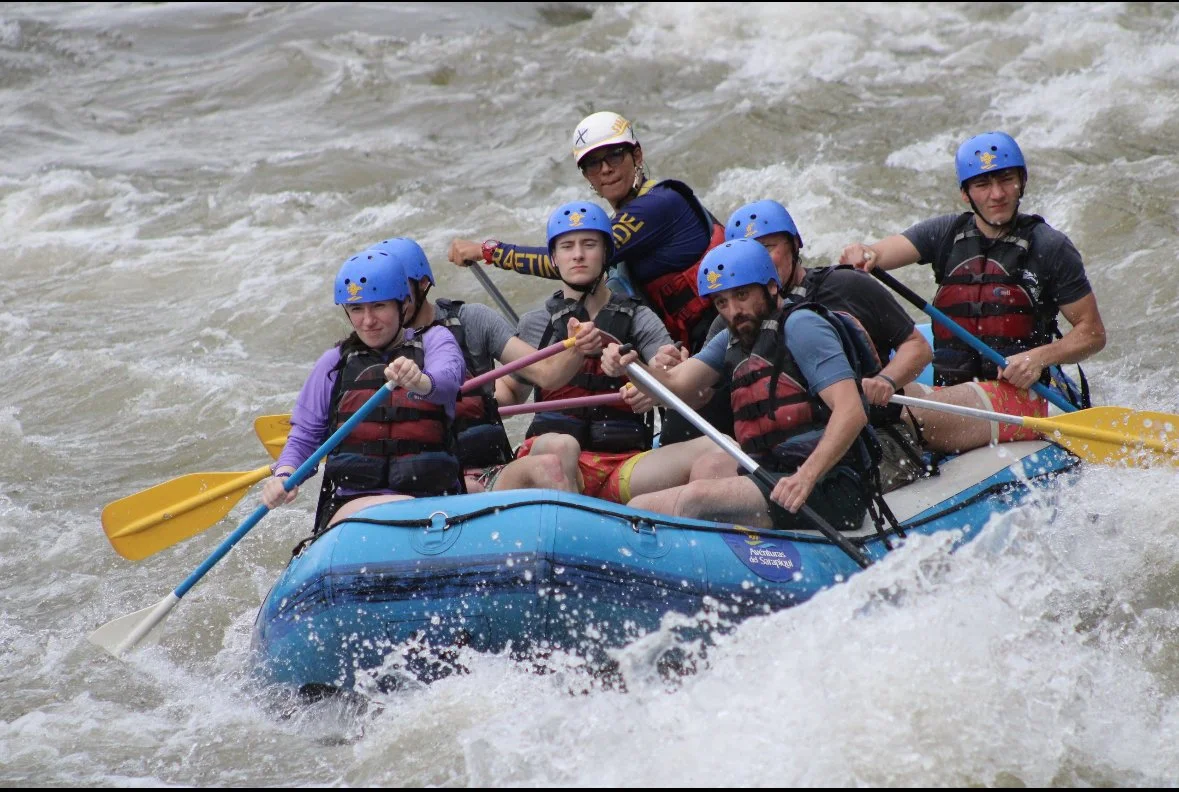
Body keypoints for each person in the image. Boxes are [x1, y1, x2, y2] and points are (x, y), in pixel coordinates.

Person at [446, 111, 730, 443]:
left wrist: (487, 251)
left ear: (637, 155)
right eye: (593, 163)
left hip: (721, 337)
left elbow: (570, 262)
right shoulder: (610, 227)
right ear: (587, 176)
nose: (606, 168)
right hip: (688, 351)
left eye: (615, 155)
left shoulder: (658, 205)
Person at [840, 131, 1106, 453]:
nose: (997, 194)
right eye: (983, 185)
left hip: (1018, 398)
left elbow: (1091, 334)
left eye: (1006, 180)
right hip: (952, 389)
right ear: (966, 194)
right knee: (848, 389)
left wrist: (1038, 358)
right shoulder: (945, 233)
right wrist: (863, 252)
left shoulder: (1050, 247)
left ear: (1022, 181)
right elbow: (877, 254)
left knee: (888, 404)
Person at [602, 239, 885, 533]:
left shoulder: (802, 326)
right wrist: (630, 366)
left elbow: (851, 411)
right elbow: (675, 385)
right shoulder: (734, 336)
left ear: (771, 287)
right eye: (722, 302)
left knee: (688, 502)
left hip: (832, 486)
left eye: (742, 295)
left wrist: (806, 477)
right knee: (665, 493)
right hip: (775, 476)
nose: (733, 310)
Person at [500, 200, 739, 504]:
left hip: (621, 465)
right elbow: (510, 390)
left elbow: (669, 372)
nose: (578, 254)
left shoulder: (638, 317)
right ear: (553, 258)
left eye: (589, 244)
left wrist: (655, 382)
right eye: (567, 246)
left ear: (607, 253)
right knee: (563, 448)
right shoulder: (536, 323)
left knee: (719, 449)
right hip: (551, 457)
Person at [715, 199, 933, 491]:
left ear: (794, 245)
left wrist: (887, 380)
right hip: (782, 456)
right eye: (748, 254)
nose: (760, 263)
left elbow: (917, 346)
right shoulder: (733, 321)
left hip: (872, 438)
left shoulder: (846, 285)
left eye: (767, 248)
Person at [364, 236, 599, 495]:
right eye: (380, 296)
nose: (387, 306)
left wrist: (577, 347)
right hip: (416, 487)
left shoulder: (472, 320)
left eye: (398, 291)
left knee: (558, 454)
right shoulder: (363, 351)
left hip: (487, 474)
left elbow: (546, 374)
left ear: (422, 285)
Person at [261, 245, 465, 534]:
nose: (368, 321)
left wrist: (419, 381)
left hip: (433, 503)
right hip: (352, 505)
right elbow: (305, 437)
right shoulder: (334, 363)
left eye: (379, 306)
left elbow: (446, 382)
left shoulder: (435, 341)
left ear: (403, 304)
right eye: (357, 309)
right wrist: (283, 475)